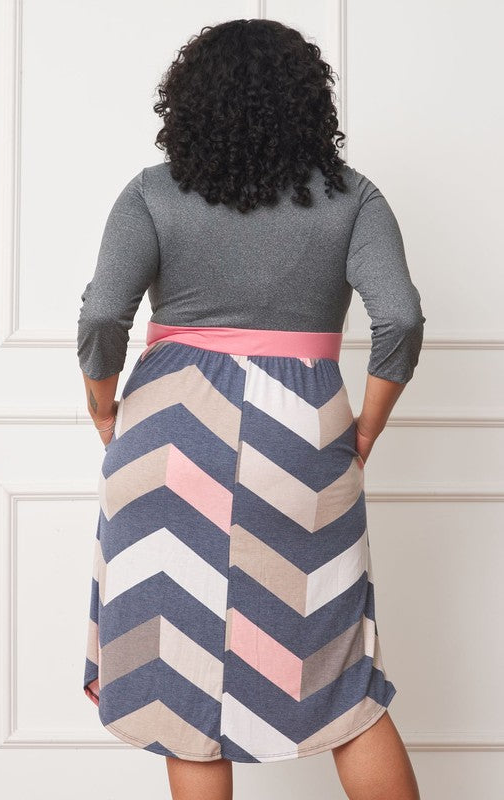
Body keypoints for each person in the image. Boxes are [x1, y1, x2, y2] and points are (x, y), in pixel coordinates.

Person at [77, 18, 424, 800]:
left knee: (181, 680)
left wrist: (103, 406)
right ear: (308, 102)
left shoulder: (152, 193)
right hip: (300, 436)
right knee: (342, 682)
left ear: (189, 100)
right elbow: (399, 318)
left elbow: (102, 315)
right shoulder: (352, 198)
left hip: (165, 433)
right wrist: (365, 429)